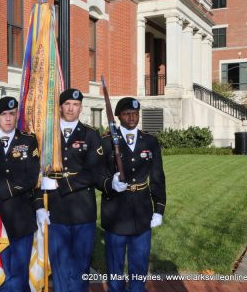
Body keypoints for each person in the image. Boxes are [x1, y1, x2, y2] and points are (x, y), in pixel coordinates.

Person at [35, 88, 104, 292]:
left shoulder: (90, 135)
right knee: (59, 266)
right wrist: (39, 202)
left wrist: (60, 184)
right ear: (60, 107)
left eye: (75, 105)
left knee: (81, 266)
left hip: (83, 209)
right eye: (67, 104)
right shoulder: (47, 135)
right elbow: (35, 170)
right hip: (55, 209)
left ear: (81, 108)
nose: (71, 108)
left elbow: (95, 172)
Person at [98, 97, 166, 292]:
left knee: (140, 261)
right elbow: (97, 174)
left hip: (142, 209)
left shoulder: (150, 141)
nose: (132, 117)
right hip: (116, 210)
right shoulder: (107, 141)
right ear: (118, 116)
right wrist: (110, 183)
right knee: (115, 263)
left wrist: (159, 209)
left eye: (135, 114)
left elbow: (157, 176)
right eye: (127, 113)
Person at [0, 96, 40, 292]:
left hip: (21, 218)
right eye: (4, 114)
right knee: (2, 273)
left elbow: (31, 178)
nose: (8, 118)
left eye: (12, 114)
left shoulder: (28, 140)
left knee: (19, 273)